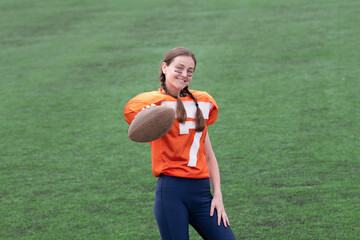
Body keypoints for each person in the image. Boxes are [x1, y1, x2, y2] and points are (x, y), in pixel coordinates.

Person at [124, 47, 236, 240]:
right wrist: (150, 112)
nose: (184, 75)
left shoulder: (201, 102)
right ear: (164, 68)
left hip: (202, 194)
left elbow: (209, 155)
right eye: (179, 68)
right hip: (171, 193)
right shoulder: (153, 105)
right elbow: (131, 112)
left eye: (189, 71)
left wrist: (218, 195)